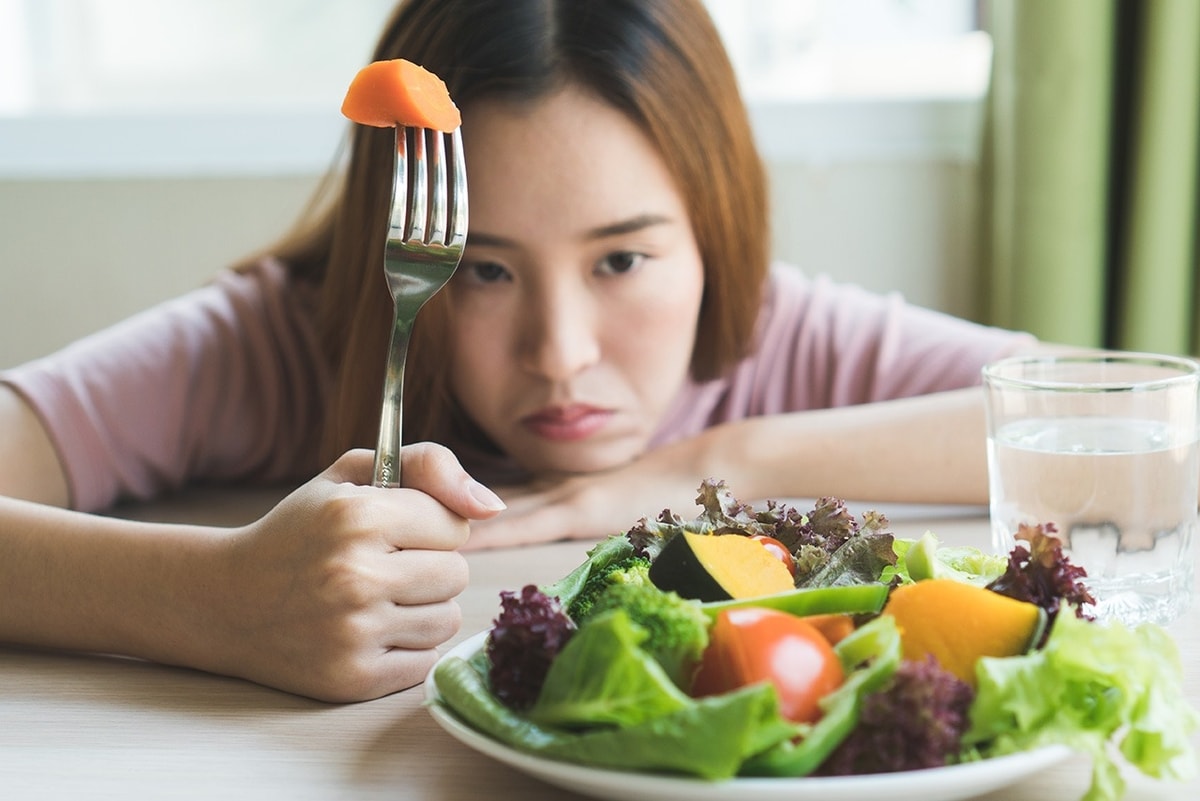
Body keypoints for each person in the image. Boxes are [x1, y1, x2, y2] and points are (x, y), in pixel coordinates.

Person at [0, 0, 1036, 699]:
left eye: (622, 261)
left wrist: (711, 465)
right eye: (485, 269)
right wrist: (215, 601)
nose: (561, 354)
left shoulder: (786, 337)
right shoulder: (282, 339)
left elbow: (1151, 422)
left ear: (713, 230)